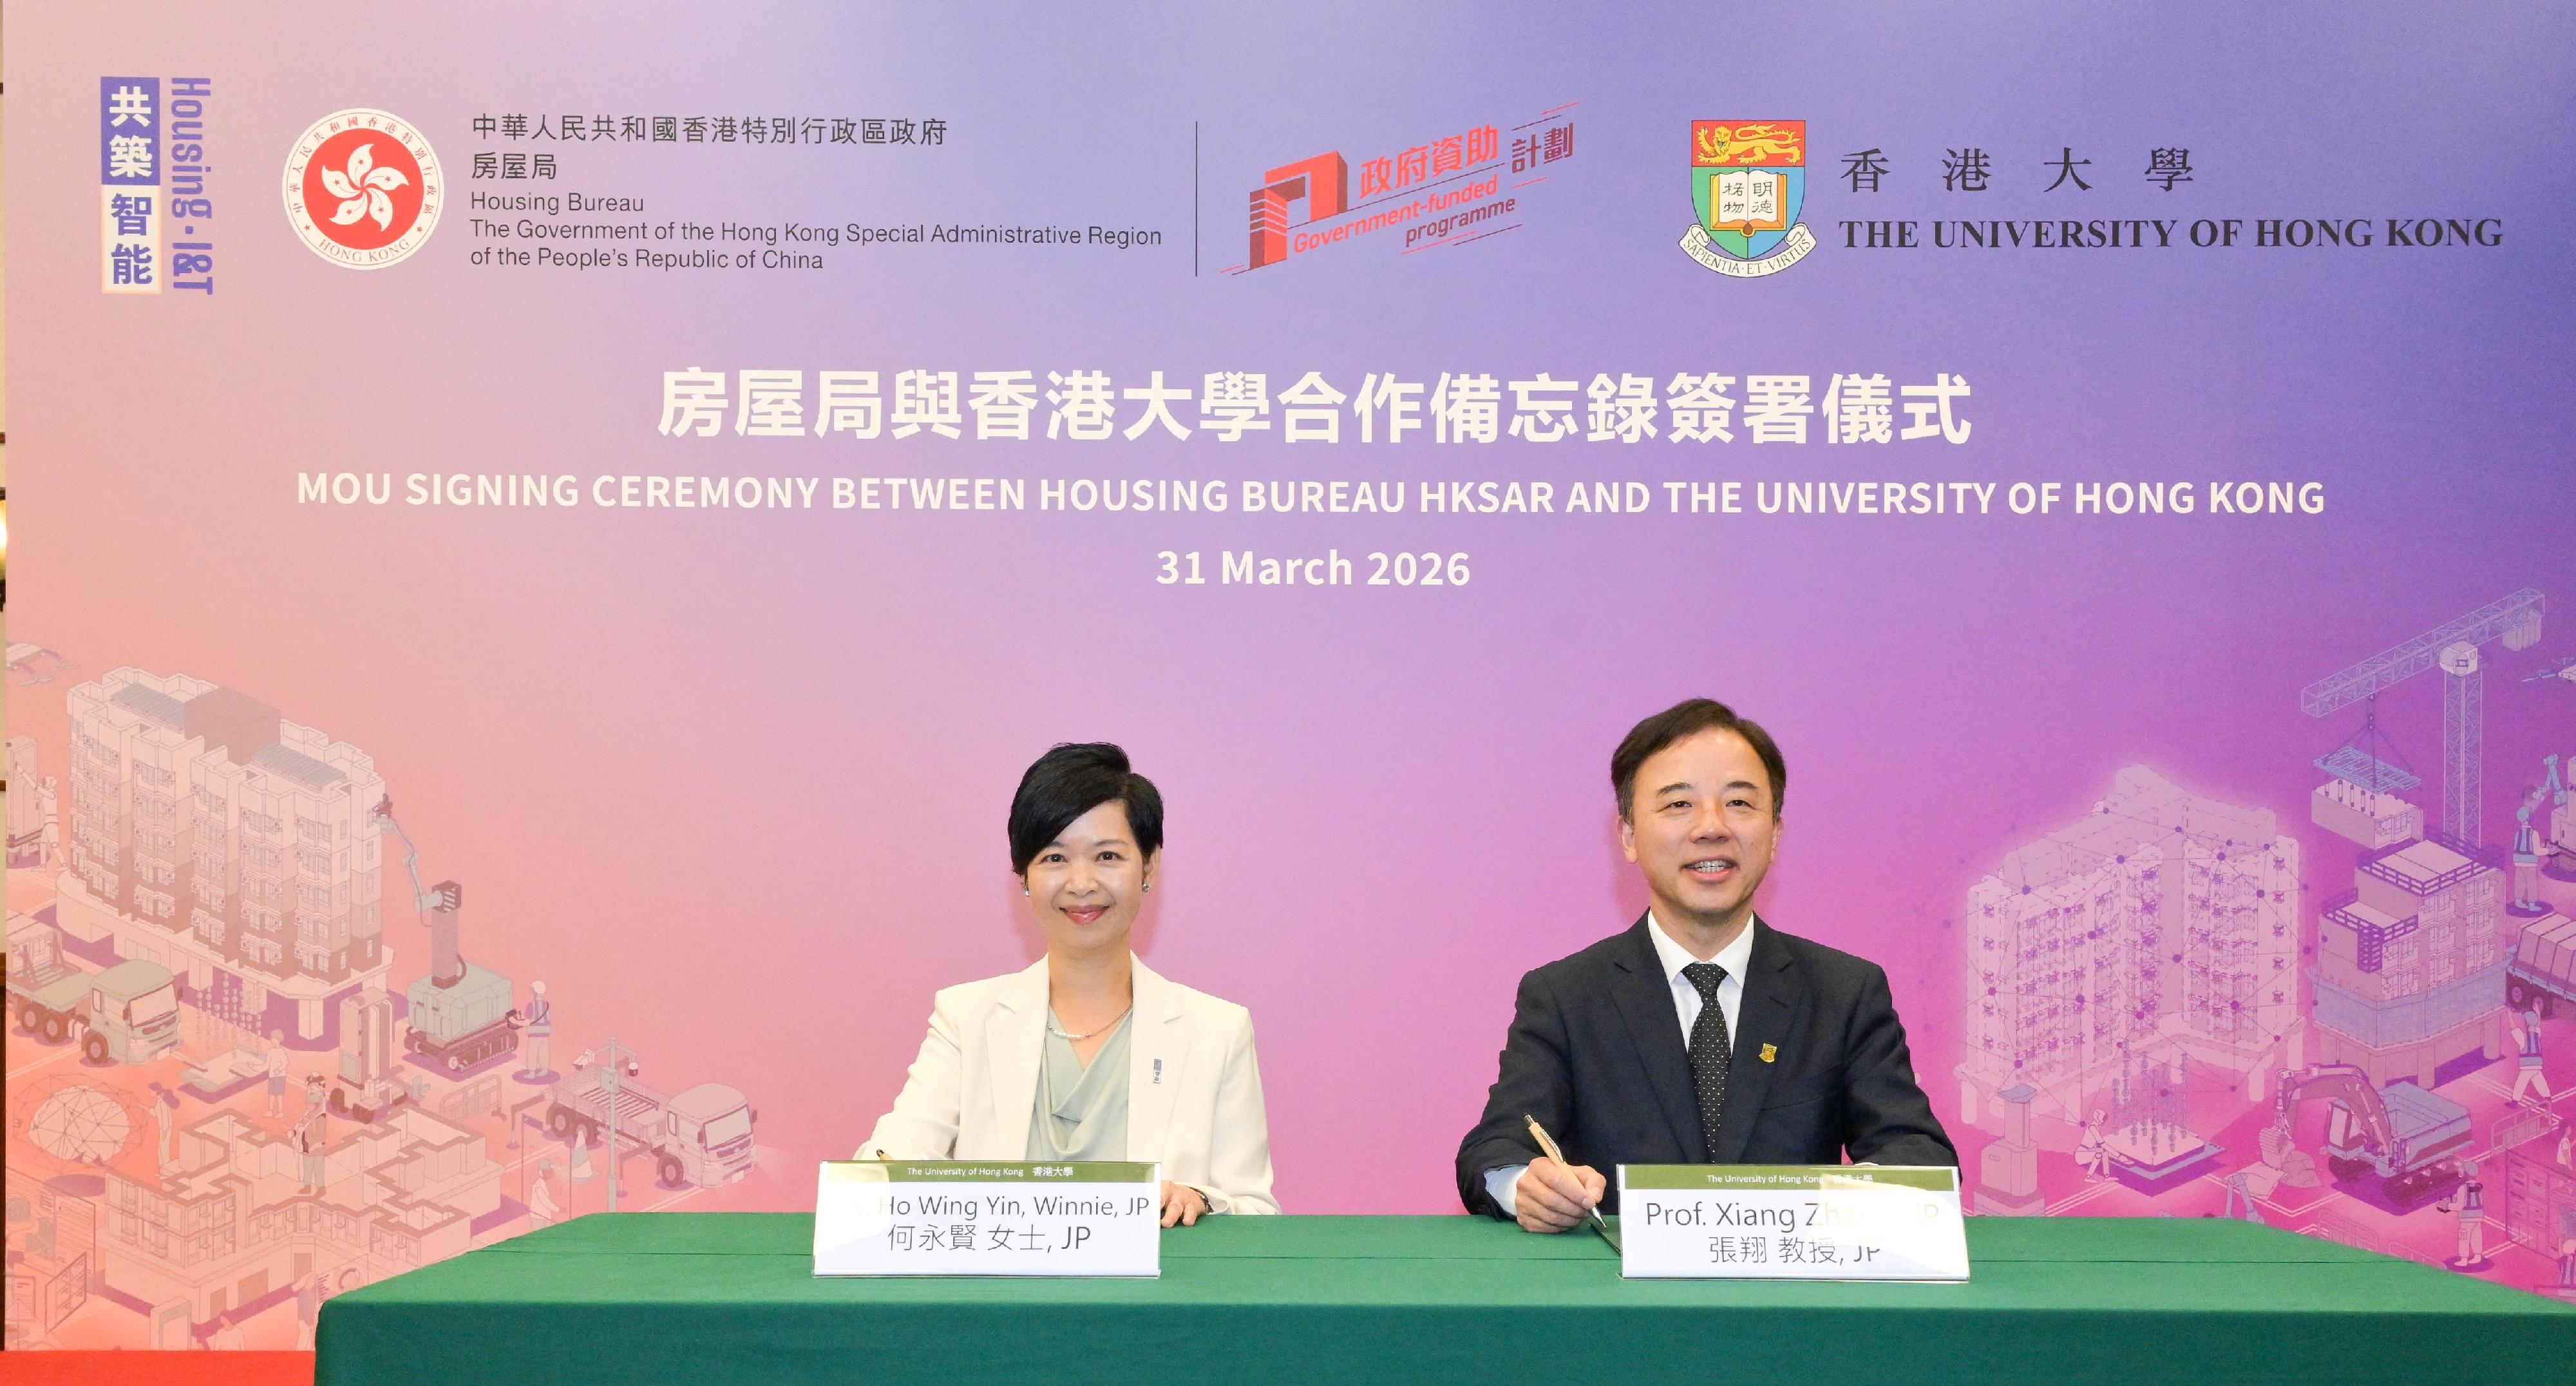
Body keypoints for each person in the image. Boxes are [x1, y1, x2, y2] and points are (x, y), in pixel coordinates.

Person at [1457, 699, 1955, 1231]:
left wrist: (1835, 1204)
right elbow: (1495, 1147)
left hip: (1789, 1300)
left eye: (1739, 802)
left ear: (1776, 831)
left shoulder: (1845, 992)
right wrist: (1525, 1186)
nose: (1712, 828)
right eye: (1678, 806)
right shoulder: (1565, 995)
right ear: (1627, 835)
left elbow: (1917, 1149)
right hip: (1624, 1302)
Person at [860, 743, 1278, 1222]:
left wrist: (1202, 1200)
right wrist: (885, 1175)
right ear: (1023, 875)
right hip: (1002, 1295)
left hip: (1157, 1296)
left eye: (1107, 856)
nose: (1081, 883)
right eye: (1054, 858)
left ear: (1149, 865)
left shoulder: (1217, 1030)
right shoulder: (966, 1018)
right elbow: (893, 1155)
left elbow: (1255, 1213)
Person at [521, 980, 553, 1080]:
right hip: (545, 1033)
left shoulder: (531, 1006)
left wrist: (514, 1021)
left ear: (535, 992)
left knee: (532, 1052)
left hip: (535, 1033)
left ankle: (532, 1072)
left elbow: (527, 1022)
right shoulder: (546, 1005)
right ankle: (544, 1069)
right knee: (544, 1051)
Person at [265, 1032, 290, 1117]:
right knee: (271, 1094)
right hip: (272, 1076)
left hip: (280, 1077)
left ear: (277, 1040)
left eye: (273, 1038)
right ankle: (270, 1111)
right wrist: (254, 1067)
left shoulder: (281, 1052)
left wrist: (278, 1070)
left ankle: (280, 1112)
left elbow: (286, 1063)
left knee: (279, 1094)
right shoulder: (271, 1051)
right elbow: (266, 1065)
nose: (271, 1039)